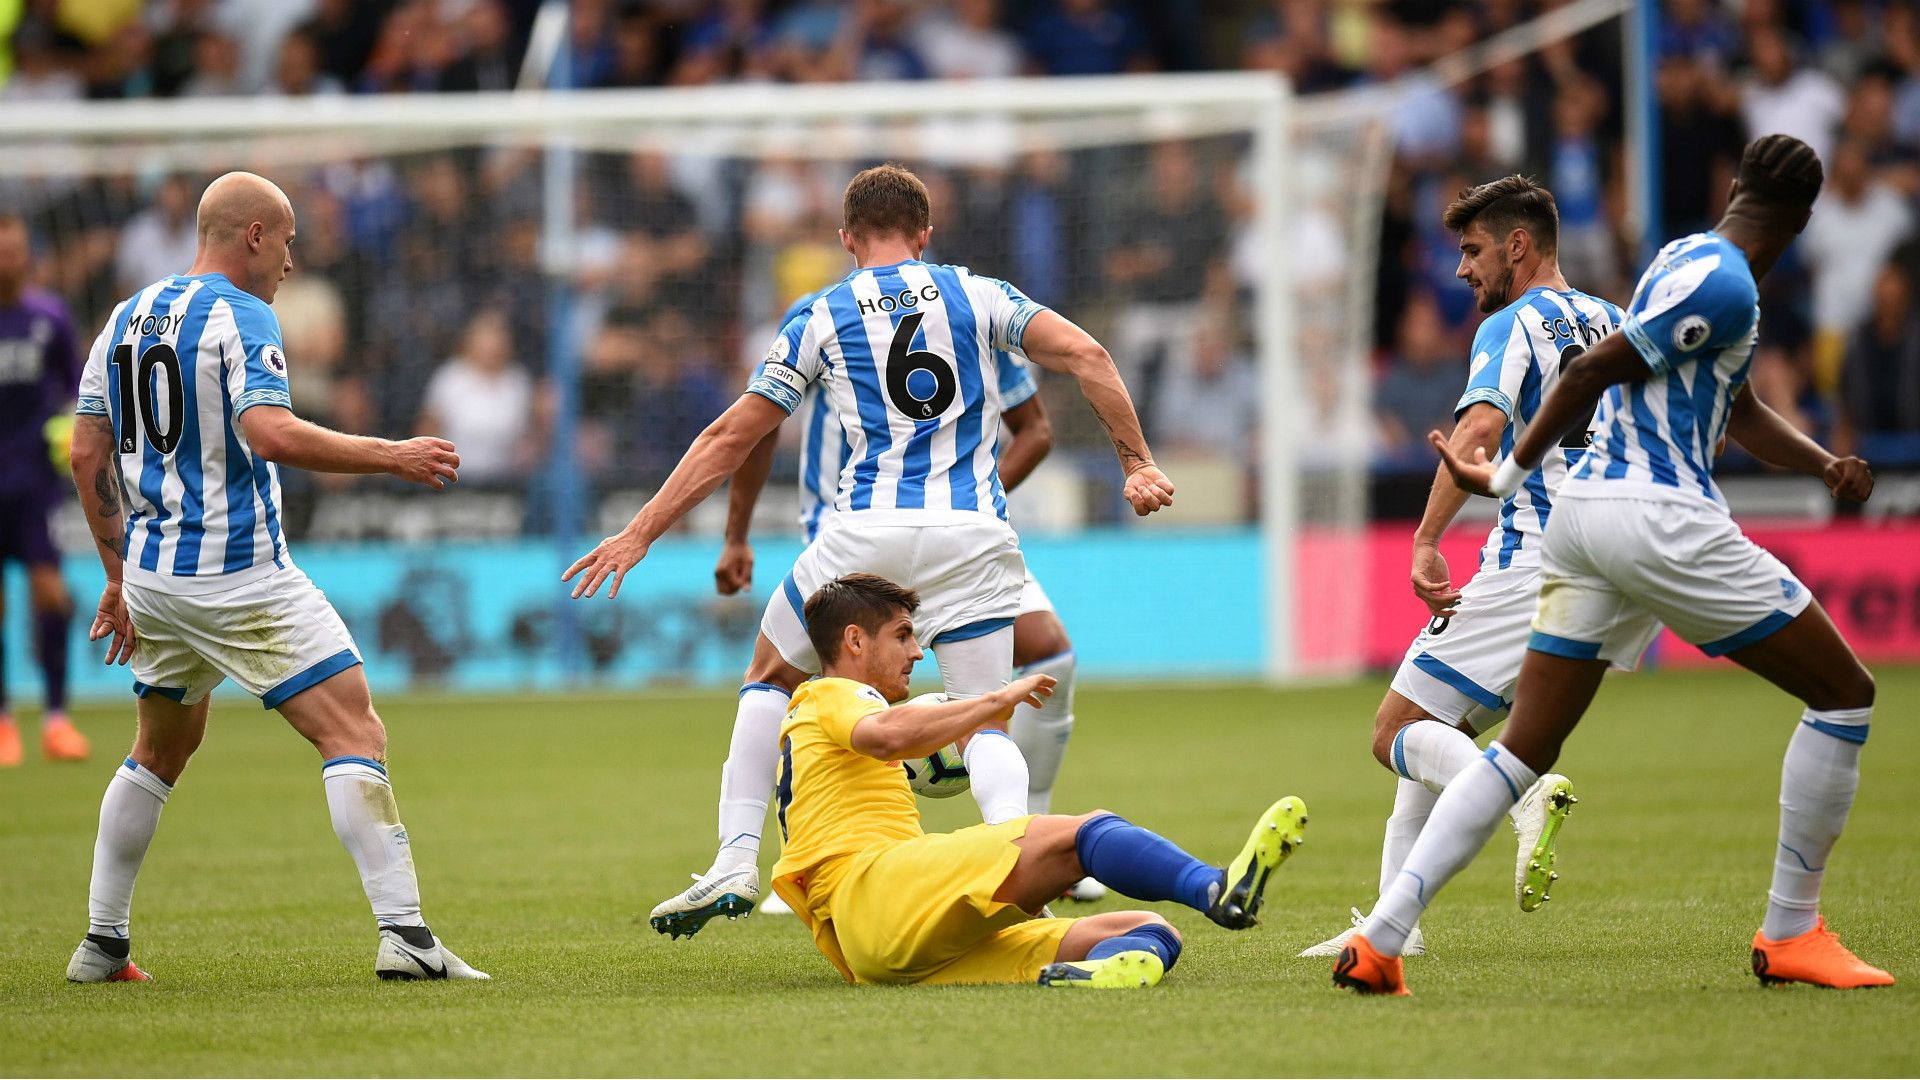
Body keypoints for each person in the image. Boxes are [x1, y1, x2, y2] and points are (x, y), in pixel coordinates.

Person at [1338, 135, 1893, 995]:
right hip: (1638, 520)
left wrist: (1449, 519)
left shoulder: (1668, 266)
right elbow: (1638, 380)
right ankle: (1789, 929)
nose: (1462, 271)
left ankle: (1385, 934)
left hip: (1570, 533)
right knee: (1845, 693)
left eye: (1473, 250)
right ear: (1805, 218)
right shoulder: (1629, 301)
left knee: (1428, 736)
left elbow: (1497, 424)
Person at [564, 164, 1174, 937]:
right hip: (973, 533)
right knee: (986, 720)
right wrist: (1136, 462)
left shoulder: (821, 313)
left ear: (847, 240)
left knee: (770, 677)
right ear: (925, 234)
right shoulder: (980, 295)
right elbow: (1087, 354)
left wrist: (640, 530)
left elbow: (735, 434)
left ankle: (734, 859)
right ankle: (1020, 873)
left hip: (864, 537)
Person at [63, 171, 486, 984]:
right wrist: (392, 454)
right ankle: (406, 936)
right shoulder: (244, 313)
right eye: (288, 239)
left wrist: (118, 575)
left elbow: (87, 452)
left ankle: (102, 944)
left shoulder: (124, 314)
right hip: (239, 574)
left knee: (159, 747)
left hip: (153, 575)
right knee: (354, 731)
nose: (292, 259)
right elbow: (271, 433)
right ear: (253, 234)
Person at [1301, 176, 1659, 959]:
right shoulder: (1620, 321)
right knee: (1441, 720)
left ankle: (1520, 795)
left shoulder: (1512, 323)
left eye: (1472, 251)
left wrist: (1426, 539)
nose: (1462, 270)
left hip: (1542, 556)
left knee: (1395, 728)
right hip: (1626, 559)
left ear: (1518, 246)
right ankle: (1398, 925)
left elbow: (1480, 428)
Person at [714, 291, 1103, 916]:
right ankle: (811, 856)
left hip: (950, 528)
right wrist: (738, 531)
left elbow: (1035, 430)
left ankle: (1039, 839)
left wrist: (963, 506)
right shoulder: (845, 318)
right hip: (852, 528)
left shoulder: (968, 320)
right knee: (825, 689)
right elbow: (758, 427)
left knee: (1051, 651)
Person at [769, 572, 1307, 988]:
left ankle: (1099, 974)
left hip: (884, 943)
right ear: (855, 641)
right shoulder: (832, 694)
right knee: (1083, 833)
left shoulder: (832, 714)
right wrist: (991, 702)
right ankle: (1216, 886)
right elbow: (885, 736)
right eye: (904, 635)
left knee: (1148, 930)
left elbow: (886, 737)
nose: (918, 651)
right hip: (873, 891)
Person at [0, 213, 89, 766]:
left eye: (16, 250)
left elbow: (79, 393)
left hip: (34, 482)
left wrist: (68, 432)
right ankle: (4, 722)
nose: (10, 259)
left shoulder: (50, 317)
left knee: (50, 595)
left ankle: (56, 719)